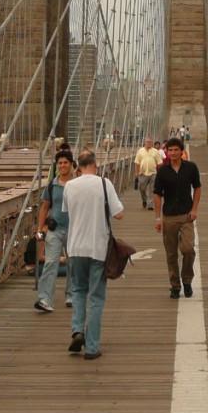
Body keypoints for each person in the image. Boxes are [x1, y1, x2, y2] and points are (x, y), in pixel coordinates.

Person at [62, 151, 124, 359]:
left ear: (77, 167)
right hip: (98, 247)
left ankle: (78, 330)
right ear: (95, 165)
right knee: (96, 298)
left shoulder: (69, 186)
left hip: (75, 247)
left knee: (78, 291)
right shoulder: (105, 184)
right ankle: (92, 347)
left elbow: (68, 212)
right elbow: (119, 214)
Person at [154, 136, 202, 299]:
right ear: (166, 152)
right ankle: (175, 285)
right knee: (171, 254)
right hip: (169, 217)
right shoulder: (162, 170)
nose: (173, 152)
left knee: (188, 249)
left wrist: (195, 209)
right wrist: (157, 218)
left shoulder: (191, 168)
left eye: (176, 150)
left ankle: (187, 280)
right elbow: (157, 195)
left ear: (182, 152)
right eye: (170, 150)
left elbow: (197, 188)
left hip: (186, 215)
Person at [34, 151, 75, 313]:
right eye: (60, 163)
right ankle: (44, 299)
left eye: (65, 162)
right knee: (51, 263)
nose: (62, 165)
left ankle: (71, 295)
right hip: (55, 229)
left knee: (73, 263)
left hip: (74, 230)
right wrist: (39, 229)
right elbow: (45, 207)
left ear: (71, 164)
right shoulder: (52, 185)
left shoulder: (77, 184)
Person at [134, 137, 163, 209]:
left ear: (152, 143)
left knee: (152, 189)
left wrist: (159, 173)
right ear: (144, 143)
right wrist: (137, 173)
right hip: (142, 173)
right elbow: (137, 162)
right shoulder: (140, 151)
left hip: (153, 173)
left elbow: (160, 163)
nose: (149, 143)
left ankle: (150, 205)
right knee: (142, 188)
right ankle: (144, 200)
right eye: (147, 142)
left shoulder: (155, 151)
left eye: (150, 142)